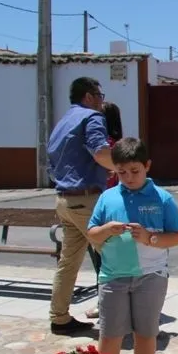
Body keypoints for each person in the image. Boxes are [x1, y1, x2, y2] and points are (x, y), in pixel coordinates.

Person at [86, 137, 178, 354]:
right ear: (114, 170)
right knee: (110, 335)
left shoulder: (162, 198)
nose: (129, 178)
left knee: (146, 334)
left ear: (147, 166)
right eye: (122, 173)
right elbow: (91, 233)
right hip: (113, 276)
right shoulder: (107, 197)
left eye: (134, 171)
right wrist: (106, 230)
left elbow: (177, 236)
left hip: (151, 276)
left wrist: (150, 238)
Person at [47, 77, 115, 335]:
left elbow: (51, 163)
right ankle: (120, 318)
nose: (101, 100)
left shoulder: (62, 122)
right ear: (88, 96)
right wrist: (125, 168)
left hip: (65, 200)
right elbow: (99, 151)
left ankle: (59, 318)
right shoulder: (92, 117)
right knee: (117, 257)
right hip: (86, 200)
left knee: (69, 261)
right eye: (99, 95)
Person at [86, 101, 127, 320]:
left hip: (103, 209)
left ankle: (105, 305)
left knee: (101, 261)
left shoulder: (101, 149)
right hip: (120, 207)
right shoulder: (120, 147)